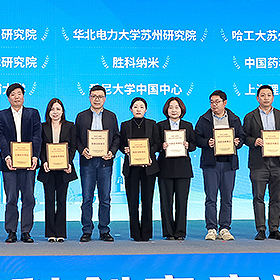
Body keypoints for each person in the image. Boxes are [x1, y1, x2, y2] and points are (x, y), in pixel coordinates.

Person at [194, 90, 245, 241]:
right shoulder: (204, 119)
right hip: (211, 163)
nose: (214, 105)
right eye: (211, 102)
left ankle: (224, 228)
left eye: (217, 102)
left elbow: (241, 136)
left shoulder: (234, 119)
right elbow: (196, 138)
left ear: (225, 102)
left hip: (229, 163)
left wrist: (238, 142)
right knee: (211, 197)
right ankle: (211, 228)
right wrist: (207, 142)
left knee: (227, 198)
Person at [0, 83, 42, 243]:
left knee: (29, 197)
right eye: (13, 94)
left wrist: (35, 156)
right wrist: (7, 156)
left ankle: (26, 231)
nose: (16, 97)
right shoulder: (1, 115)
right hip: (9, 163)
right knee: (11, 198)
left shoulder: (33, 113)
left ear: (23, 96)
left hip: (29, 163)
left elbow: (37, 136)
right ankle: (11, 231)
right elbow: (1, 137)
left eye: (19, 93)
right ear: (8, 98)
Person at [242, 85, 280, 241]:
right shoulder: (250, 116)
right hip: (258, 163)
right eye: (262, 95)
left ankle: (274, 229)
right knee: (258, 197)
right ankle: (261, 229)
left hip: (278, 162)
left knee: (276, 197)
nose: (266, 98)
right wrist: (254, 141)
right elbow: (244, 137)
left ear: (273, 97)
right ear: (257, 98)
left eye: (269, 95)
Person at [74, 85, 120, 242]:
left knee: (105, 198)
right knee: (87, 198)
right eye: (94, 96)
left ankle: (104, 229)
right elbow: (76, 138)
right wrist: (82, 150)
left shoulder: (111, 116)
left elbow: (117, 137)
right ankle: (86, 230)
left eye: (100, 96)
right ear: (89, 98)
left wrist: (112, 152)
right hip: (87, 162)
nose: (97, 99)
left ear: (105, 99)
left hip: (105, 162)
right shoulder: (81, 116)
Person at [119, 97, 160, 241]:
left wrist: (148, 153)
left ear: (146, 110)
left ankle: (146, 233)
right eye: (135, 107)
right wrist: (124, 149)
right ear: (131, 109)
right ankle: (135, 233)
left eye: (141, 107)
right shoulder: (125, 125)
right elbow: (120, 143)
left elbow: (157, 143)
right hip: (131, 169)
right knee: (132, 201)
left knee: (147, 201)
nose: (138, 109)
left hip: (148, 168)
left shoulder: (152, 124)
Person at [37, 98, 77, 242]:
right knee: (49, 200)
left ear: (62, 111)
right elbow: (40, 146)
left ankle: (60, 233)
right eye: (52, 109)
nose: (55, 112)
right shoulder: (42, 127)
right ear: (48, 112)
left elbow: (73, 146)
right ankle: (50, 233)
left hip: (63, 169)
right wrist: (44, 161)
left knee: (61, 200)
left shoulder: (70, 126)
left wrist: (68, 162)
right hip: (47, 168)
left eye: (58, 109)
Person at [157, 97, 195, 240]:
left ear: (181, 109)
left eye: (176, 107)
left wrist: (188, 145)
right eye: (171, 107)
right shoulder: (160, 126)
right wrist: (161, 146)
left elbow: (194, 145)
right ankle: (168, 232)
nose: (174, 110)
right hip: (165, 168)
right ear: (166, 110)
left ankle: (180, 232)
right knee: (166, 202)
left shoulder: (188, 126)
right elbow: (155, 144)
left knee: (181, 202)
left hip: (183, 168)